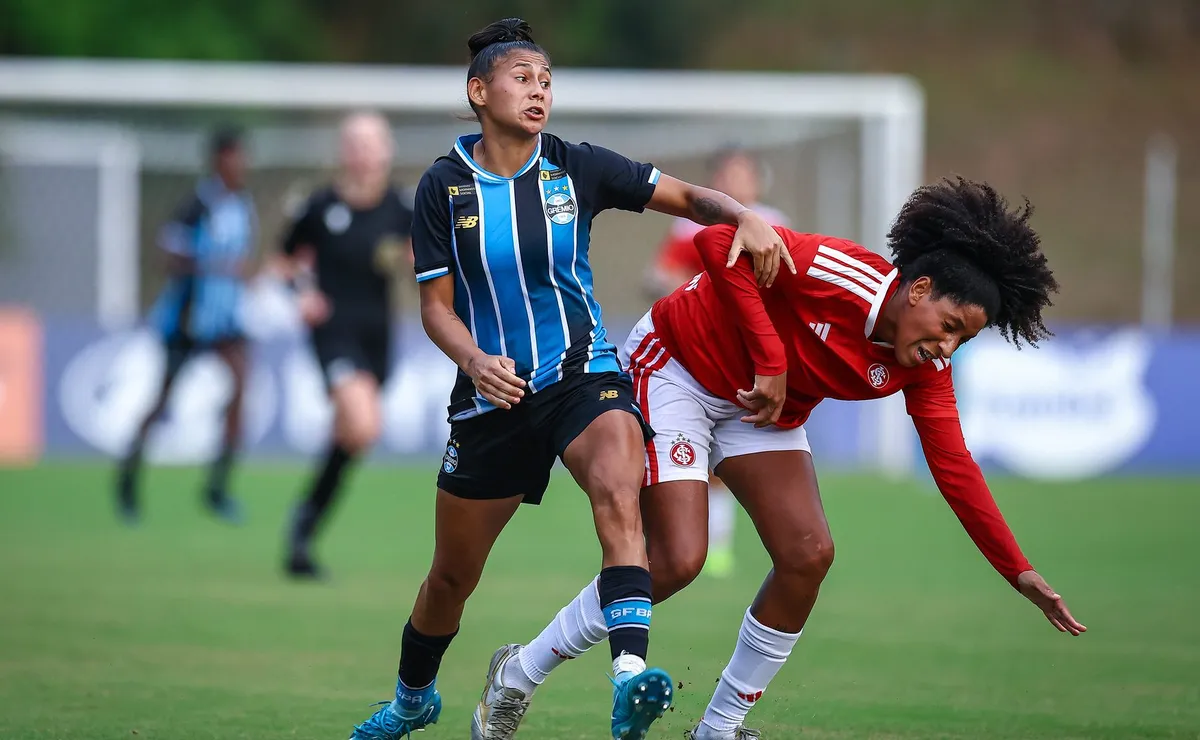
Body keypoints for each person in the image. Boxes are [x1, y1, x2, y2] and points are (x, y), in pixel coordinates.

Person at [489, 177, 1088, 740]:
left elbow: (954, 465)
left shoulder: (926, 368)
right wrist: (771, 359)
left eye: (964, 340)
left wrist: (1017, 570)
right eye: (950, 326)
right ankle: (518, 672)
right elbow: (716, 239)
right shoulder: (842, 273)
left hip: (760, 410)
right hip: (678, 369)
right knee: (678, 559)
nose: (946, 346)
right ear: (920, 290)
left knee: (808, 555)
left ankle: (718, 727)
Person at [348, 18, 791, 740]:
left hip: (585, 374)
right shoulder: (443, 187)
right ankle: (411, 699)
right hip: (492, 397)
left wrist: (744, 214)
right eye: (523, 78)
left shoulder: (576, 166)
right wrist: (473, 362)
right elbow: (435, 308)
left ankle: (628, 678)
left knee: (619, 496)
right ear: (478, 91)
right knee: (450, 581)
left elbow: (684, 198)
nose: (538, 91)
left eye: (547, 81)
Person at [277, 112, 414, 579]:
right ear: (342, 152)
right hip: (333, 331)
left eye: (371, 142)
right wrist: (302, 291)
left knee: (350, 438)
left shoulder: (401, 209)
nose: (362, 151)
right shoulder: (318, 207)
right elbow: (283, 260)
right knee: (363, 424)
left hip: (378, 336)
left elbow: (428, 264)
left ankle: (302, 530)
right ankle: (302, 527)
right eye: (353, 142)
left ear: (386, 151)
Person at [644, 148, 791, 581]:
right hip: (695, 356)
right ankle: (674, 544)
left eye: (744, 172)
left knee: (732, 463)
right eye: (727, 172)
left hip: (753, 357)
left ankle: (719, 547)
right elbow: (660, 274)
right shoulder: (691, 225)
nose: (736, 180)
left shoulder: (773, 222)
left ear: (758, 182)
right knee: (689, 461)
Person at [115, 126, 256, 525]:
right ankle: (127, 482)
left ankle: (217, 488)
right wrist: (212, 265)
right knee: (163, 401)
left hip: (225, 320)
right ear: (219, 161)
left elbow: (240, 258)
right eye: (235, 157)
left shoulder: (242, 202)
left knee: (242, 389)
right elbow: (170, 251)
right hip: (188, 319)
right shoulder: (198, 202)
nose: (242, 165)